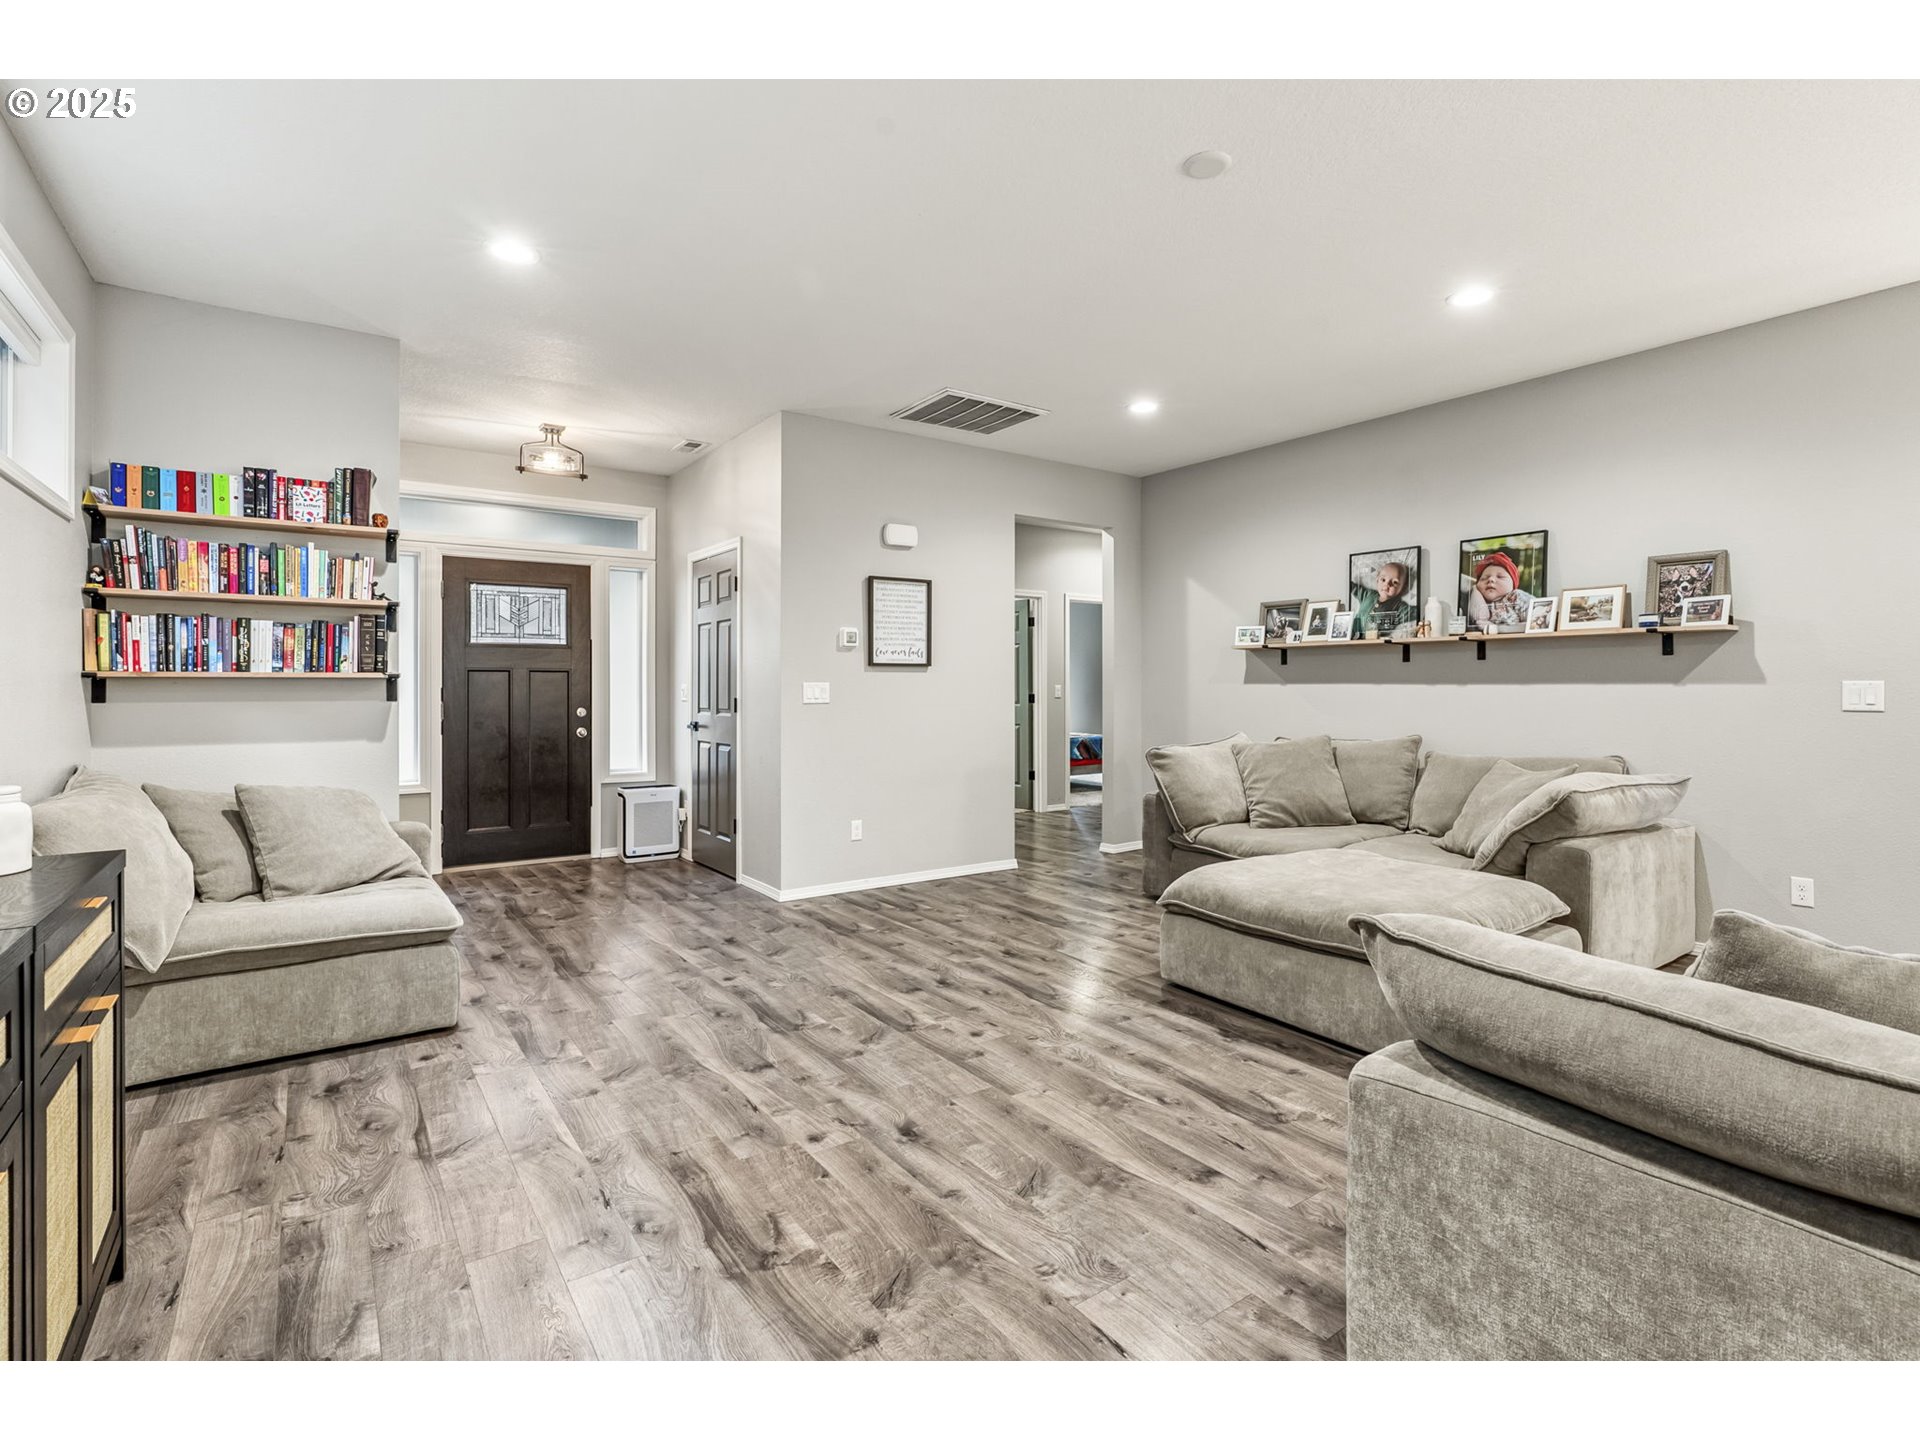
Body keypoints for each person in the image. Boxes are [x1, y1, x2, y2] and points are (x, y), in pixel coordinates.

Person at [1465, 551, 1535, 632]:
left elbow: (1537, 622)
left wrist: (1498, 629)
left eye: (1500, 577)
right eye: (1484, 578)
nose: (1490, 579)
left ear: (1512, 584)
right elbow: (1480, 618)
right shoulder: (1480, 600)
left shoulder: (1516, 596)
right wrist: (1475, 589)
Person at [1351, 558, 1418, 637]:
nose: (1387, 584)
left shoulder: (1399, 607)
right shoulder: (1368, 595)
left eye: (1395, 582)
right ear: (1377, 579)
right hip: (1353, 636)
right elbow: (1352, 587)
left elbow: (1417, 611)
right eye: (1383, 579)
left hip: (1377, 643)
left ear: (1403, 588)